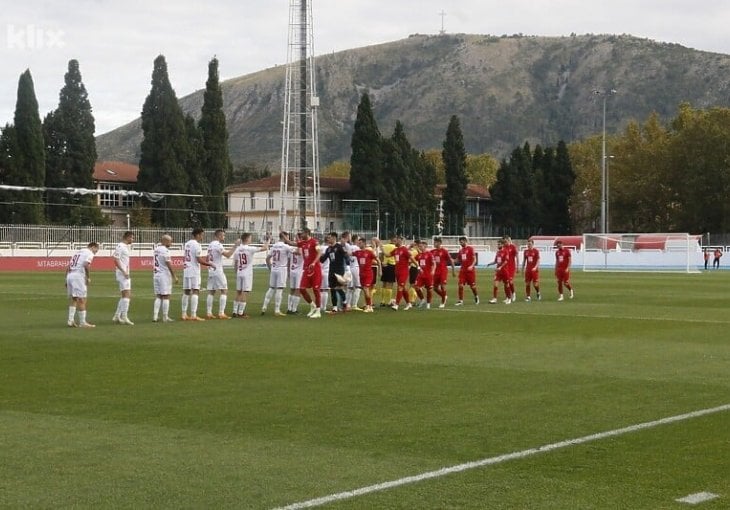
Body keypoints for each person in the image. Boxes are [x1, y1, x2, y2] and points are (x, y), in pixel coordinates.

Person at [283, 228, 322, 319]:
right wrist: (283, 234)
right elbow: (290, 243)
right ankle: (312, 306)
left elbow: (319, 252)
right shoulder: (303, 243)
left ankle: (318, 311)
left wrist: (314, 262)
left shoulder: (314, 242)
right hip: (306, 269)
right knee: (302, 289)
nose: (301, 235)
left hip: (315, 269)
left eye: (302, 233)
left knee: (316, 289)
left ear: (307, 233)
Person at [231, 233, 269, 318]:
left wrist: (236, 272)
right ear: (247, 239)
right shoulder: (250, 248)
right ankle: (241, 312)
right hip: (247, 273)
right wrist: (268, 240)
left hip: (239, 272)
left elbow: (236, 263)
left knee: (238, 292)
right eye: (250, 238)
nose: (251, 239)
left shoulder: (238, 249)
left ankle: (234, 311)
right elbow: (265, 248)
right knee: (245, 292)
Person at [182, 227, 216, 321]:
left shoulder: (187, 244)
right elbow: (199, 259)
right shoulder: (197, 245)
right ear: (197, 235)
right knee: (195, 291)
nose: (202, 237)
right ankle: (193, 315)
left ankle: (184, 314)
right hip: (194, 270)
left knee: (186, 291)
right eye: (202, 235)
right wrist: (210, 264)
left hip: (186, 269)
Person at [65, 241, 99, 328]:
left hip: (70, 275)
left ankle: (70, 320)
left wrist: (66, 279)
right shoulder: (89, 253)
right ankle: (83, 322)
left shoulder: (77, 253)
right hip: (78, 276)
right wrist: (88, 277)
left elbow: (68, 266)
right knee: (82, 299)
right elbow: (86, 265)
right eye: (96, 250)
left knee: (74, 298)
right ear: (93, 247)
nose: (95, 253)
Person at [205, 229, 236, 319]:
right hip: (217, 270)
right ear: (218, 236)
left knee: (211, 291)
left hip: (211, 269)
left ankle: (209, 313)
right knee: (224, 290)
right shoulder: (218, 245)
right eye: (223, 235)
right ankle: (221, 313)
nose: (224, 237)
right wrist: (235, 246)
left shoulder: (210, 244)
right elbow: (228, 255)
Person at [261, 232, 294, 316]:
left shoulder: (274, 246)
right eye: (287, 237)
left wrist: (270, 268)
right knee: (279, 289)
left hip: (274, 269)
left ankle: (264, 307)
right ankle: (277, 310)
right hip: (282, 269)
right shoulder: (286, 246)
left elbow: (267, 258)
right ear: (285, 237)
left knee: (271, 288)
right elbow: (297, 251)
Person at [320, 231, 350, 313]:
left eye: (329, 237)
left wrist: (348, 266)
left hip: (339, 271)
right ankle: (335, 307)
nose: (328, 239)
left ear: (334, 238)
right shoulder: (328, 249)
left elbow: (345, 255)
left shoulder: (339, 247)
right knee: (332, 289)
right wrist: (318, 255)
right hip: (331, 271)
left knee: (339, 288)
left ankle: (345, 302)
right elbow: (323, 260)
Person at [152, 234, 178, 322]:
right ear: (165, 241)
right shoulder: (165, 251)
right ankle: (165, 316)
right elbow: (168, 264)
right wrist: (174, 276)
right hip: (164, 275)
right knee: (166, 296)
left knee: (158, 296)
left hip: (156, 274)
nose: (171, 243)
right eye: (170, 241)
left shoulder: (156, 249)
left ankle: (155, 316)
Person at [112, 231, 135, 325]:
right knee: (127, 295)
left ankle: (117, 316)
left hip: (123, 273)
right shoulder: (120, 246)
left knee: (124, 295)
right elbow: (115, 259)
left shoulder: (125, 247)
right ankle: (124, 316)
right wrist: (124, 271)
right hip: (122, 274)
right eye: (132, 238)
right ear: (128, 237)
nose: (133, 239)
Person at [353, 236, 381, 312]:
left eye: (360, 243)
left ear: (364, 243)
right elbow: (349, 253)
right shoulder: (358, 252)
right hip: (361, 274)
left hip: (368, 274)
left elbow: (378, 260)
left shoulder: (369, 252)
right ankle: (368, 306)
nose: (359, 244)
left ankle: (370, 306)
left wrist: (380, 270)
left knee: (366, 289)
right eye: (358, 243)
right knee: (365, 290)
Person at [391, 235, 417, 310]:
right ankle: (408, 303)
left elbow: (411, 258)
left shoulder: (404, 250)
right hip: (397, 271)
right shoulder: (395, 250)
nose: (395, 242)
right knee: (403, 288)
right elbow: (388, 254)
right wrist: (379, 247)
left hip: (403, 272)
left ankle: (396, 304)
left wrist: (417, 266)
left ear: (400, 241)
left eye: (396, 240)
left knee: (400, 287)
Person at [431, 236, 456, 308]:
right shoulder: (432, 252)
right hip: (436, 272)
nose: (434, 244)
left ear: (439, 243)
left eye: (435, 242)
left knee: (442, 286)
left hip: (443, 271)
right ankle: (444, 296)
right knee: (435, 288)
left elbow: (451, 261)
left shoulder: (444, 251)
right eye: (434, 242)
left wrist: (453, 271)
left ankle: (443, 302)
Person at [455, 236, 480, 305]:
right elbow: (457, 260)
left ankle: (476, 296)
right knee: (460, 285)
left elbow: (475, 259)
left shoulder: (470, 249)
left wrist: (471, 266)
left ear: (465, 241)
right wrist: (450, 260)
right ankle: (460, 300)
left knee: (472, 286)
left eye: (461, 242)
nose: (460, 243)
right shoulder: (461, 251)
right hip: (463, 271)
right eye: (460, 242)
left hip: (470, 271)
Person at [341, 231, 362, 311]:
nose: (359, 241)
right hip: (356, 268)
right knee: (358, 286)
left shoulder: (348, 246)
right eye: (359, 240)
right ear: (356, 240)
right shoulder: (357, 248)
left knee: (349, 287)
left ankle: (348, 304)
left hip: (349, 268)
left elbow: (343, 243)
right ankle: (355, 305)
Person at [487, 239, 511, 304]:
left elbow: (506, 261)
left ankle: (508, 298)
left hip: (504, 271)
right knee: (495, 284)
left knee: (506, 285)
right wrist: (490, 263)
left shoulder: (506, 251)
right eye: (497, 244)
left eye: (499, 244)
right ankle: (494, 299)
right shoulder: (498, 252)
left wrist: (500, 267)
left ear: (502, 245)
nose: (498, 245)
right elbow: (496, 261)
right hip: (498, 271)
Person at [413, 240, 435, 309]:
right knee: (416, 287)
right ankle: (422, 299)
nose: (420, 247)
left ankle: (428, 303)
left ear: (425, 246)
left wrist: (433, 270)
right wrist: (418, 267)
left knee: (429, 289)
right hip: (420, 275)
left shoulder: (429, 254)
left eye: (421, 246)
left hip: (428, 274)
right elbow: (412, 260)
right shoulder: (419, 255)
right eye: (419, 246)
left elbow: (434, 263)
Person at [286, 233, 304, 315]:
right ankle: (294, 309)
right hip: (298, 271)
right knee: (298, 290)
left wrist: (288, 271)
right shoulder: (302, 247)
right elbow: (300, 253)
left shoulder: (291, 248)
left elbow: (289, 261)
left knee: (292, 289)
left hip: (292, 270)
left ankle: (289, 308)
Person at [378, 234, 397, 307]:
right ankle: (389, 301)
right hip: (392, 265)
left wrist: (382, 262)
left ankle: (382, 301)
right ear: (394, 240)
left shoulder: (384, 246)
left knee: (384, 283)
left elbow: (380, 256)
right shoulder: (395, 248)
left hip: (384, 266)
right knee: (390, 284)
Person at [503, 235, 519, 303]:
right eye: (504, 242)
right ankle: (507, 297)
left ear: (508, 240)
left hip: (512, 267)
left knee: (510, 281)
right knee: (505, 283)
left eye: (506, 241)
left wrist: (518, 266)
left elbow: (517, 257)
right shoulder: (504, 247)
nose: (505, 243)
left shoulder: (513, 247)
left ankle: (513, 293)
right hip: (505, 267)